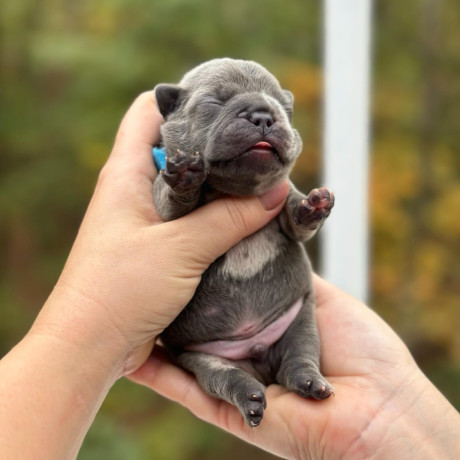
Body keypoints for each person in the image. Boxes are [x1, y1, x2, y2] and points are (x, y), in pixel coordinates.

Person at [0, 92, 458, 460]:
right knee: (205, 367)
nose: (261, 120)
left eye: (273, 110)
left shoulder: (273, 188)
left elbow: (296, 227)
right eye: (218, 106)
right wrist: (182, 186)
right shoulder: (176, 182)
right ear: (172, 114)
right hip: (205, 342)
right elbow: (169, 208)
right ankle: (240, 387)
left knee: (301, 335)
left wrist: (307, 213)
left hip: (285, 315)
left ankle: (302, 370)